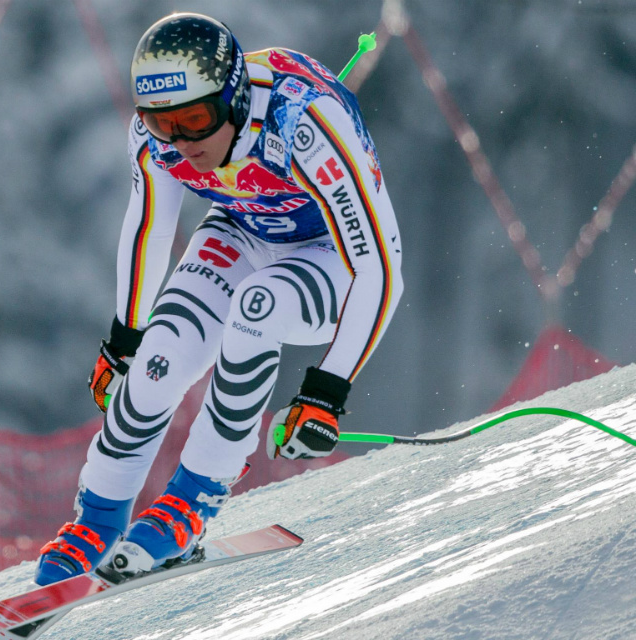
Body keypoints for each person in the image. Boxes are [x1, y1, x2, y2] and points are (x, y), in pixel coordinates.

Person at [36, 12, 403, 585]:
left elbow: (381, 267)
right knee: (162, 351)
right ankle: (98, 520)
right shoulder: (153, 138)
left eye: (197, 120)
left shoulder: (305, 122)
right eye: (163, 125)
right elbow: (148, 226)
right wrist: (123, 343)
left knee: (258, 308)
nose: (182, 142)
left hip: (329, 257)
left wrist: (326, 392)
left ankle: (191, 502)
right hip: (241, 228)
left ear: (232, 98)